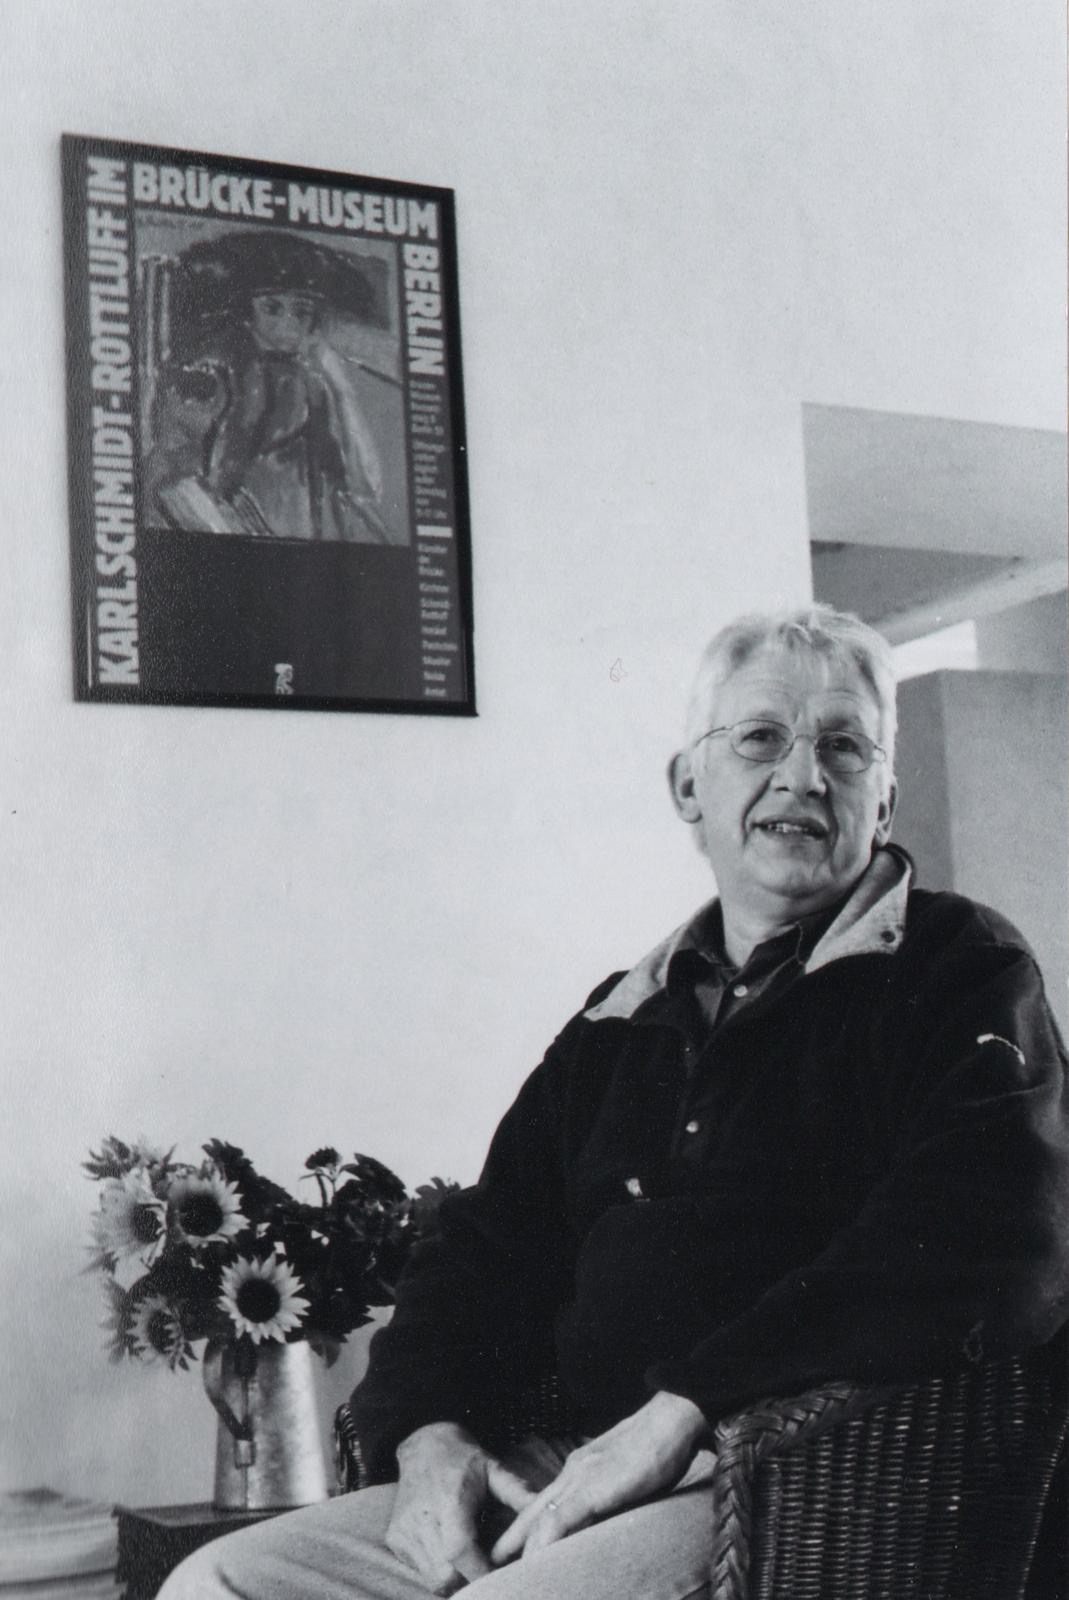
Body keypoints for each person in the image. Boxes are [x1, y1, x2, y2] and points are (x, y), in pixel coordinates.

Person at [160, 604, 1069, 1600]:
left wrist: (683, 1409)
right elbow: (479, 1247)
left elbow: (990, 1236)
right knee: (222, 1582)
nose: (803, 777)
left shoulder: (959, 968)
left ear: (884, 799)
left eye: (843, 747)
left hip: (781, 1483)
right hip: (569, 1461)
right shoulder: (619, 1018)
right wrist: (424, 1439)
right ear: (687, 786)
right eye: (759, 738)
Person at [143, 230, 401, 544]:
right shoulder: (209, 372)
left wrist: (335, 377)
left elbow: (347, 481)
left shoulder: (309, 380)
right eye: (272, 309)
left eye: (301, 313)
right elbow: (175, 484)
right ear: (246, 311)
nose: (288, 325)